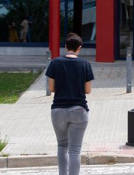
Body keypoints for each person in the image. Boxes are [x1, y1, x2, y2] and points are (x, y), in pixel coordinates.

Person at [46, 33, 94, 175]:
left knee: (62, 145)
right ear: (80, 48)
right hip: (79, 110)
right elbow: (88, 90)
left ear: (66, 47)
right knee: (75, 150)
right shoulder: (85, 64)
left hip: (58, 110)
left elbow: (51, 88)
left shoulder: (54, 63)